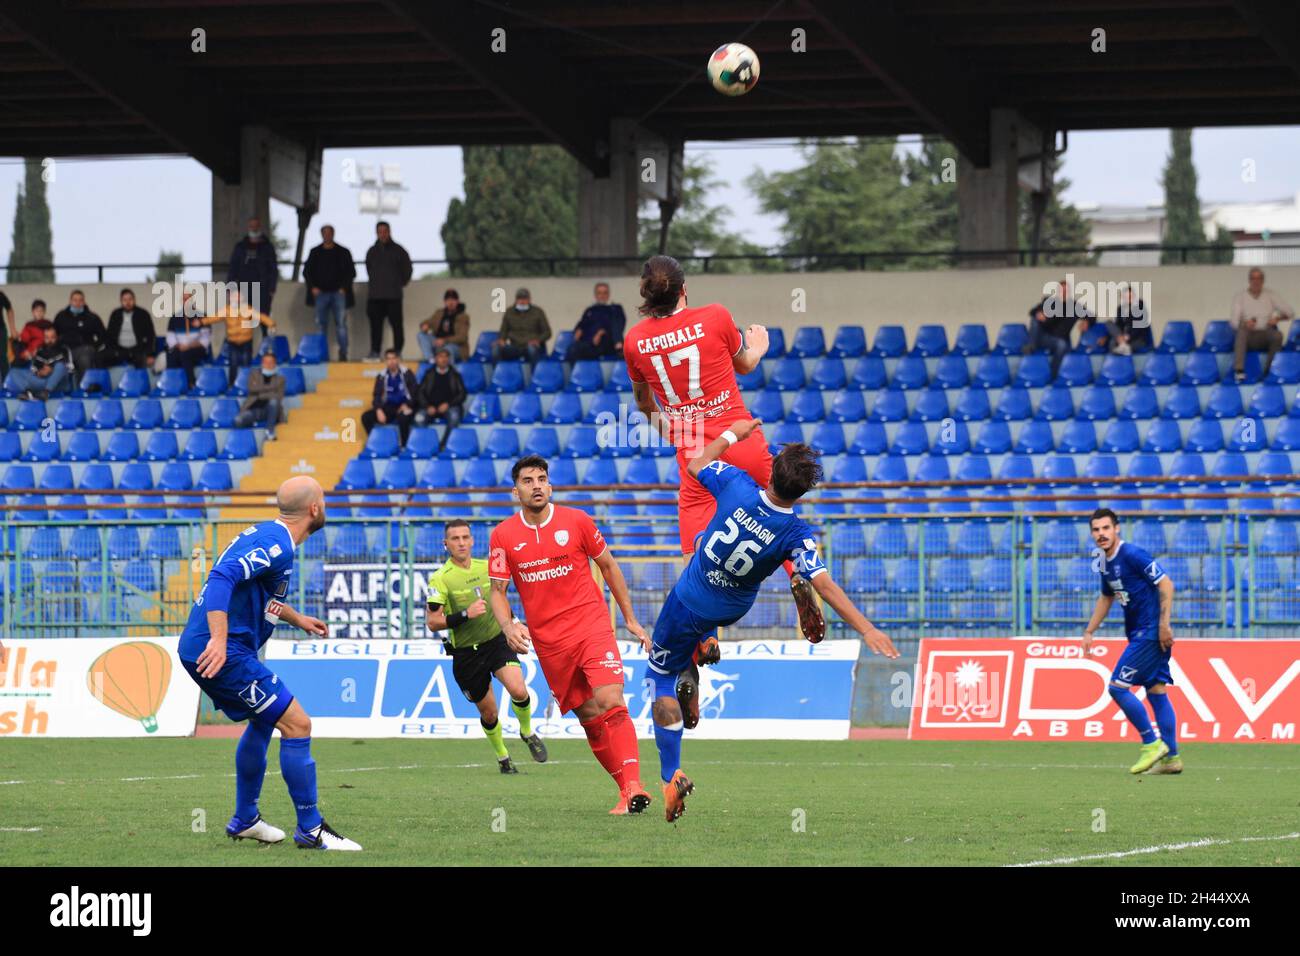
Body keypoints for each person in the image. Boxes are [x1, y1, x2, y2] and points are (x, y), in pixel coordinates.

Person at [648, 420, 898, 821]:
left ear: (771, 469)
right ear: (803, 491)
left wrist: (733, 434)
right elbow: (828, 585)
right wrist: (867, 628)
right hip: (733, 605)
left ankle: (669, 774)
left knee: (659, 675)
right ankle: (703, 649)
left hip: (691, 598)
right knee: (702, 553)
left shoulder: (737, 483)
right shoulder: (797, 532)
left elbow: (697, 463)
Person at [624, 254, 825, 666]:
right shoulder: (715, 316)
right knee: (776, 516)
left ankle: (706, 634)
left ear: (645, 296)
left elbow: (644, 404)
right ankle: (800, 576)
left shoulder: (635, 341)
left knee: (695, 545)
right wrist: (759, 345)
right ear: (684, 289)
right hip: (743, 436)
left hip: (696, 450)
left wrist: (672, 431)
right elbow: (746, 365)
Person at [179, 475, 361, 850]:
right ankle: (311, 829)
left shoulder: (271, 537)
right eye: (323, 500)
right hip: (223, 650)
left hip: (221, 647)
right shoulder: (278, 545)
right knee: (297, 724)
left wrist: (297, 619)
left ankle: (246, 819)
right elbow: (221, 578)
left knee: (264, 722)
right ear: (314, 509)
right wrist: (218, 638)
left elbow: (255, 591)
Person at [487, 455, 652, 815]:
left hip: (591, 628)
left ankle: (636, 783)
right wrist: (509, 625)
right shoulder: (503, 535)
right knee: (590, 720)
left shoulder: (576, 521)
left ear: (550, 485)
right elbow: (497, 591)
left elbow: (608, 566)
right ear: (516, 491)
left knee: (611, 701)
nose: (537, 486)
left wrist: (631, 619)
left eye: (542, 479)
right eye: (528, 481)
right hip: (550, 644)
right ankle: (626, 790)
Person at [425, 519, 548, 774]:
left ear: (472, 540)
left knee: (519, 689)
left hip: (496, 642)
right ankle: (503, 757)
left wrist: (513, 621)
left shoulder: (487, 568)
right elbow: (433, 622)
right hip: (466, 655)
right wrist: (465, 615)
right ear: (445, 544)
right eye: (455, 539)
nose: (461, 543)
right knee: (489, 713)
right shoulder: (441, 579)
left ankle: (527, 731)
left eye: (465, 537)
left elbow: (499, 599)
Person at [1082, 508, 1181, 776]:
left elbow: (1167, 584)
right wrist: (1090, 631)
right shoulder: (1104, 561)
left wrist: (1163, 624)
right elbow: (1106, 597)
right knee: (1156, 691)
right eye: (1096, 529)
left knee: (1117, 687)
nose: (1101, 534)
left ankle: (1151, 743)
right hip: (1141, 632)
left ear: (1117, 529)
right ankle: (1171, 758)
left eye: (1105, 528)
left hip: (1150, 632)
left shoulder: (1133, 555)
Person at [1231, 267, 1294, 382]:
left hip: (1265, 333)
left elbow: (1290, 312)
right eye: (1253, 278)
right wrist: (1245, 323)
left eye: (1259, 278)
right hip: (1248, 335)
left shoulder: (1270, 295)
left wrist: (1278, 318)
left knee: (1277, 335)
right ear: (1249, 280)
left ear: (1263, 281)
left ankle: (1269, 371)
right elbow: (1233, 322)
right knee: (1241, 332)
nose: (1256, 281)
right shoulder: (1240, 297)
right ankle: (1239, 371)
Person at [303, 224, 355, 362]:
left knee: (341, 325)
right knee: (320, 325)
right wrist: (312, 287)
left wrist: (344, 288)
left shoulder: (343, 252)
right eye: (324, 233)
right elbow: (307, 272)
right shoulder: (315, 252)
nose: (327, 235)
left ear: (333, 233)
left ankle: (343, 353)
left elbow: (351, 272)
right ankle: (321, 354)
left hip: (339, 294)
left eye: (329, 233)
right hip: (320, 294)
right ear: (321, 235)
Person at [202, 288, 276, 386]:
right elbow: (214, 318)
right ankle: (232, 385)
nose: (236, 299)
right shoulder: (226, 310)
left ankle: (247, 385)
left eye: (238, 297)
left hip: (246, 342)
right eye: (234, 297)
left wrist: (271, 324)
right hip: (232, 342)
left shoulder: (248, 309)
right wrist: (201, 322)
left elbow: (261, 317)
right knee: (233, 365)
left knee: (246, 365)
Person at [364, 221, 413, 359]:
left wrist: (399, 283)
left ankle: (397, 351)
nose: (383, 234)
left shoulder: (399, 250)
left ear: (389, 231)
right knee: (375, 326)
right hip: (375, 296)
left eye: (385, 231)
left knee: (397, 325)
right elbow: (369, 269)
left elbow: (407, 270)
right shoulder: (372, 251)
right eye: (380, 231)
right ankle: (375, 351)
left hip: (393, 296)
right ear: (377, 233)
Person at [1027, 278, 1092, 378]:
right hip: (1043, 337)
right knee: (1034, 320)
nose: (1064, 293)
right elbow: (1032, 312)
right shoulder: (1049, 302)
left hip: (1059, 339)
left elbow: (1092, 315)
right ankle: (1031, 346)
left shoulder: (1074, 306)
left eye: (1066, 290)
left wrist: (1086, 321)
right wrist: (1039, 314)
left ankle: (1053, 375)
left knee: (1061, 345)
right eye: (1062, 290)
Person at [362, 348, 418, 446]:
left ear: (398, 360)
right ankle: (376, 443)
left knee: (403, 417)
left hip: (405, 406)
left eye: (393, 358)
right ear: (385, 361)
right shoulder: (381, 376)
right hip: (389, 407)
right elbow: (377, 395)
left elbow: (415, 392)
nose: (391, 361)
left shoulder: (407, 373)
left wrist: (407, 405)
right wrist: (378, 409)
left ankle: (404, 446)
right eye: (388, 359)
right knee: (366, 417)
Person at [226, 216, 279, 316]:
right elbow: (233, 269)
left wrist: (272, 288)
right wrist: (230, 288)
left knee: (263, 317)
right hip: (244, 288)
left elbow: (273, 269)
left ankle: (265, 332)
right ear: (248, 227)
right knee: (243, 319)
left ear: (260, 227)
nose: (254, 228)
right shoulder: (240, 247)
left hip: (263, 289)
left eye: (256, 226)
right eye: (251, 226)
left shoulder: (267, 247)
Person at [415, 347, 466, 451]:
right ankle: (428, 446)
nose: (443, 359)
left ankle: (443, 445)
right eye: (440, 356)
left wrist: (448, 404)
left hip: (449, 407)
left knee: (455, 417)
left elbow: (462, 394)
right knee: (418, 418)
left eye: (445, 356)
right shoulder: (429, 374)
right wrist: (427, 406)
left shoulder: (455, 374)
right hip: (430, 407)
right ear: (435, 359)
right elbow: (420, 392)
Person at [53, 289, 106, 386]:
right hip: (64, 351)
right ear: (70, 301)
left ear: (84, 301)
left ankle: (84, 389)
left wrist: (94, 347)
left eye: (80, 300)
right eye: (75, 300)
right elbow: (53, 335)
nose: (77, 303)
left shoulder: (92, 317)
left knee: (85, 358)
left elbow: (103, 336)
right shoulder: (61, 316)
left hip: (86, 350)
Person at [5, 325, 72, 400]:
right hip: (42, 381)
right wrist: (39, 373)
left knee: (60, 366)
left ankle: (46, 391)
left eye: (52, 337)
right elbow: (33, 369)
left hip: (59, 384)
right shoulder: (40, 350)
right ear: (44, 338)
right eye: (47, 337)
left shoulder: (64, 349)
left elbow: (70, 369)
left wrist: (52, 371)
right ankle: (28, 392)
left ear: (57, 337)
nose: (50, 340)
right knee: (14, 371)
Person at [566, 282, 626, 361]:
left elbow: (619, 325)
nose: (602, 296)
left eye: (605, 293)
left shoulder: (615, 309)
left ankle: (619, 348)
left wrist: (601, 332)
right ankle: (577, 372)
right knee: (572, 349)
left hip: (607, 342)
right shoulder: (590, 310)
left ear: (608, 294)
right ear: (595, 295)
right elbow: (582, 324)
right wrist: (579, 329)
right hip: (589, 344)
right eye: (599, 293)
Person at [100, 288, 158, 369]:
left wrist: (150, 354)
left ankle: (140, 381)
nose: (128, 302)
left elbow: (151, 336)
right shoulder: (115, 314)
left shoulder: (143, 314)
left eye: (130, 299)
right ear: (121, 301)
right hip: (118, 350)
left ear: (134, 300)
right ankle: (103, 381)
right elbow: (109, 335)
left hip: (137, 349)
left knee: (142, 359)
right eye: (125, 300)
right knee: (100, 357)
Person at [165, 294, 211, 388]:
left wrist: (188, 346)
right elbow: (170, 337)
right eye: (184, 299)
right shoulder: (174, 318)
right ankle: (172, 384)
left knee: (185, 354)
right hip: (180, 347)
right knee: (171, 355)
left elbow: (205, 340)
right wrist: (179, 346)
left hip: (197, 348)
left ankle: (191, 383)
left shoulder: (202, 316)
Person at [235, 352, 285, 439]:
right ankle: (250, 432)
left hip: (269, 411)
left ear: (275, 364)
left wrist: (259, 392)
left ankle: (269, 432)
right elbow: (251, 388)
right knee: (237, 421)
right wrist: (271, 389)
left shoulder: (280, 379)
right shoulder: (254, 374)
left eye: (271, 362)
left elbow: (279, 396)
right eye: (266, 362)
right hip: (253, 409)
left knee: (273, 401)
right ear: (262, 363)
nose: (268, 365)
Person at [492, 288, 550, 364]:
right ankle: (498, 373)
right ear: (516, 300)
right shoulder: (509, 312)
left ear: (529, 299)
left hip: (531, 345)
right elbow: (504, 330)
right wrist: (501, 339)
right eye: (520, 299)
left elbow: (547, 332)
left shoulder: (538, 312)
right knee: (496, 349)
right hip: (514, 346)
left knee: (532, 350)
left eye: (525, 299)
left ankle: (534, 374)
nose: (522, 301)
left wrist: (538, 340)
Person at [418, 288, 470, 363]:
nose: (451, 302)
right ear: (444, 302)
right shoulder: (439, 313)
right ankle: (431, 359)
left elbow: (462, 337)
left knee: (447, 350)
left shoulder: (463, 316)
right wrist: (424, 325)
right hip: (438, 343)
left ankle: (449, 371)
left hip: (455, 347)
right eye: (448, 300)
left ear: (457, 301)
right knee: (421, 335)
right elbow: (428, 322)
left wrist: (445, 341)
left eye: (453, 300)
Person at [1103, 284, 1151, 355]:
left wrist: (1127, 337)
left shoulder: (1140, 308)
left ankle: (1123, 347)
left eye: (1130, 296)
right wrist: (1117, 337)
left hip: (1136, 339)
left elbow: (1139, 327)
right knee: (1109, 326)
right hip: (1122, 337)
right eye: (1126, 297)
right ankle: (1122, 346)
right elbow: (1118, 326)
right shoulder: (1120, 309)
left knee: (1117, 345)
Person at [16, 300, 53, 366]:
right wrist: (26, 352)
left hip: (44, 350)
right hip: (30, 351)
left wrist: (39, 349)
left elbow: (51, 339)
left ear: (44, 312)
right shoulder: (29, 325)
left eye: (41, 311)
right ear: (33, 312)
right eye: (37, 311)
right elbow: (24, 340)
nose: (39, 313)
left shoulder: (49, 324)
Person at [0, 288, 15, 380]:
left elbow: (9, 309)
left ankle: (6, 383)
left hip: (0, 329)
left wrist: (12, 328)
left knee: (2, 356)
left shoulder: (0, 295)